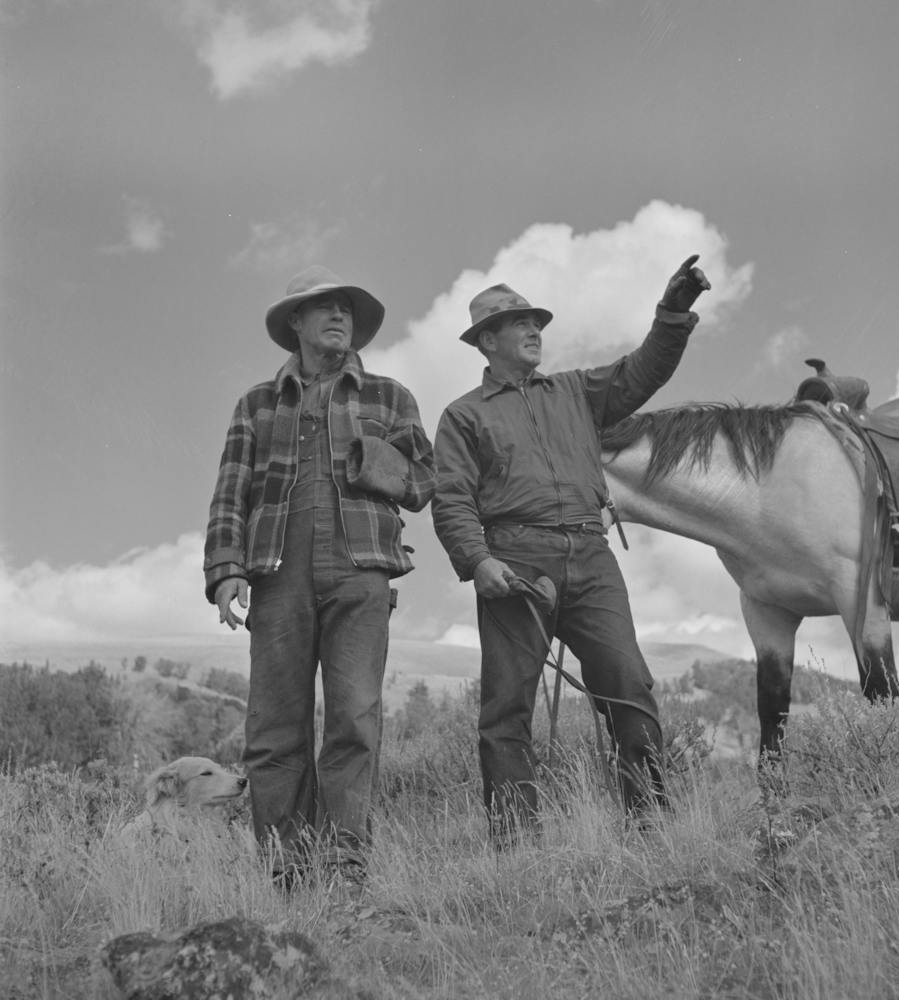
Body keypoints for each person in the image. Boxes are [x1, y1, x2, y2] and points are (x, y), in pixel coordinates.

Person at [432, 255, 710, 845]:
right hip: (515, 561)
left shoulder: (577, 391)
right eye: (519, 323)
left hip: (591, 553)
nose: (534, 330)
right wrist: (478, 561)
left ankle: (651, 823)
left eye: (536, 321)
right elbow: (451, 498)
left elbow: (644, 370)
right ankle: (516, 842)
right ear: (487, 340)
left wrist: (673, 312)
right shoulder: (462, 416)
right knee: (507, 708)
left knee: (629, 683)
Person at [204, 265, 435, 886]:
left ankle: (345, 865)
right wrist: (227, 571)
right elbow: (230, 493)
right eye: (324, 307)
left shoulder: (389, 397)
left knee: (354, 719)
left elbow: (422, 484)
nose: (339, 317)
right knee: (274, 727)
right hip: (275, 575)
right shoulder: (255, 403)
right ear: (296, 324)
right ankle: (284, 869)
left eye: (346, 309)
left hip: (362, 572)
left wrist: (371, 459)